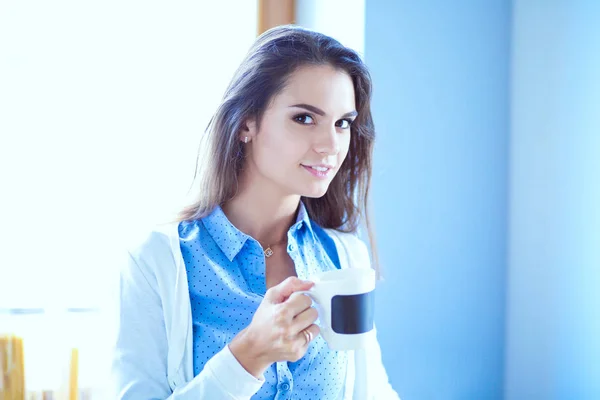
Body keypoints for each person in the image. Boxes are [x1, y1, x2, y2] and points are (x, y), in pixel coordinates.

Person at [111, 25, 399, 399]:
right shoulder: (157, 262)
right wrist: (247, 356)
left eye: (342, 123)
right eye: (305, 118)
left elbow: (372, 394)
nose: (331, 145)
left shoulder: (344, 257)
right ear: (247, 122)